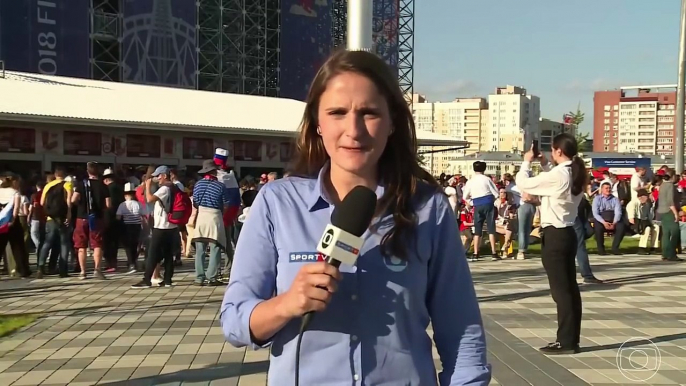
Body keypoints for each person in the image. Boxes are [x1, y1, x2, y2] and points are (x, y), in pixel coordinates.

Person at [220, 50, 490, 385]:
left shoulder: (427, 208)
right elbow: (234, 323)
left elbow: (462, 332)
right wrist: (288, 304)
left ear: (392, 122)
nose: (354, 130)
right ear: (317, 123)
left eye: (369, 113)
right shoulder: (277, 203)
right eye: (337, 112)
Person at [515, 133, 586, 355]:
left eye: (553, 151)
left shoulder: (560, 174)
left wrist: (527, 160)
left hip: (555, 236)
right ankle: (570, 339)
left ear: (558, 151)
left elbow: (523, 183)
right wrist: (545, 162)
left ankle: (565, 342)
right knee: (570, 290)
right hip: (567, 233)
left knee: (561, 292)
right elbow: (553, 185)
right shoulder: (574, 171)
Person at [462, 160, 499, 261]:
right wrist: (492, 201)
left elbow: (465, 196)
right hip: (488, 203)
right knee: (491, 228)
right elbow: (496, 193)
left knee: (477, 230)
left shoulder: (470, 181)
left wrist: (473, 203)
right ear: (484, 168)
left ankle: (475, 253)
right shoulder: (487, 179)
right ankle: (494, 253)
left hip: (477, 204)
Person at [591, 181, 625, 255]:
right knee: (598, 228)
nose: (608, 190)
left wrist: (614, 223)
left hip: (613, 219)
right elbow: (595, 213)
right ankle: (601, 249)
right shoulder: (597, 199)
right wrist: (604, 222)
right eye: (606, 188)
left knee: (621, 227)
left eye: (609, 188)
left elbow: (618, 212)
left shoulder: (615, 199)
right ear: (602, 189)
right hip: (601, 219)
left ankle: (615, 248)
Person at [656, 168, 683, 262]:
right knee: (675, 232)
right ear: (673, 176)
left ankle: (665, 254)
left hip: (662, 211)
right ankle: (671, 254)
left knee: (666, 234)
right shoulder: (670, 186)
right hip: (669, 211)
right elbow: (670, 201)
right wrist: (676, 213)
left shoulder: (662, 185)